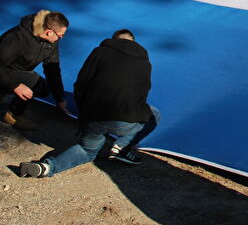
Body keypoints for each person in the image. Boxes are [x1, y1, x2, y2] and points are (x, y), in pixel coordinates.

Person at [19, 29, 160, 178]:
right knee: (154, 114)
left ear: (113, 40)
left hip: (93, 115)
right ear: (133, 42)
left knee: (87, 150)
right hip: (123, 120)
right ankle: (122, 147)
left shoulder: (99, 52)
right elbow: (143, 93)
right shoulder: (145, 63)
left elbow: (82, 82)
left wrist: (83, 110)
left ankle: (46, 167)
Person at [0, 11, 71, 131]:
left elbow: (52, 69)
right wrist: (15, 86)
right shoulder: (15, 38)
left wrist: (59, 98)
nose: (61, 38)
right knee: (28, 83)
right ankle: (8, 111)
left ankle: (13, 110)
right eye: (60, 36)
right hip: (4, 70)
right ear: (49, 32)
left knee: (41, 87)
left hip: (19, 72)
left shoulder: (51, 42)